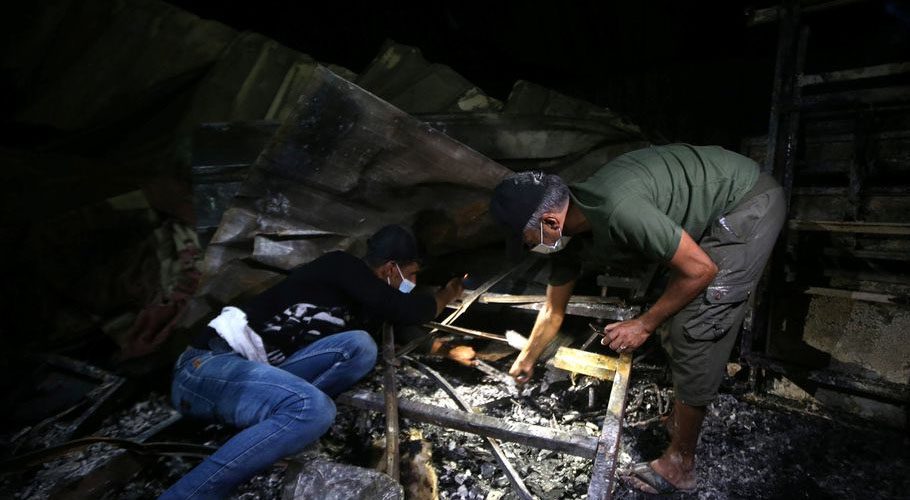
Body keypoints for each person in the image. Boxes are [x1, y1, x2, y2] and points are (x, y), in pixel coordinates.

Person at [489, 144, 785, 494]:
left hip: (745, 203)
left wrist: (643, 324)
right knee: (670, 321)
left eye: (526, 242)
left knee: (695, 327)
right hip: (714, 207)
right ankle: (680, 418)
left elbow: (700, 270)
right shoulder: (570, 232)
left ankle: (680, 464)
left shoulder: (617, 208)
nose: (528, 249)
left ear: (550, 222)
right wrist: (528, 357)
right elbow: (554, 309)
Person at [161, 224, 465, 499]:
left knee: (360, 346)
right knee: (314, 409)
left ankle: (284, 423)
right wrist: (444, 296)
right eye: (410, 274)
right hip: (208, 367)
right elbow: (404, 308)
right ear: (389, 268)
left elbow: (393, 317)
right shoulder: (341, 265)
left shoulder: (362, 310)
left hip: (258, 379)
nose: (412, 282)